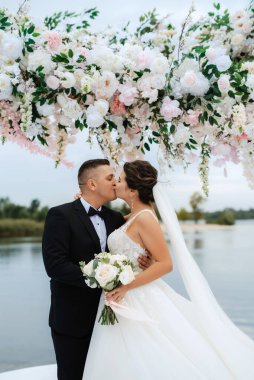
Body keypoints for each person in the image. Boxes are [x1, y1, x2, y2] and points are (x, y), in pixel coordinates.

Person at [83, 160, 254, 380]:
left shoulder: (144, 218)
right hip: (123, 296)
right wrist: (83, 202)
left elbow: (166, 263)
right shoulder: (133, 216)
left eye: (120, 179)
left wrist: (126, 285)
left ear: (133, 190)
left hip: (136, 293)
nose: (116, 182)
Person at [42, 159, 151, 380]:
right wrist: (100, 277)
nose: (115, 183)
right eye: (110, 178)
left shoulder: (114, 218)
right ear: (92, 185)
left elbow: (136, 236)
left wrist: (143, 260)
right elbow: (55, 266)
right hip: (72, 319)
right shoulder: (60, 215)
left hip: (111, 317)